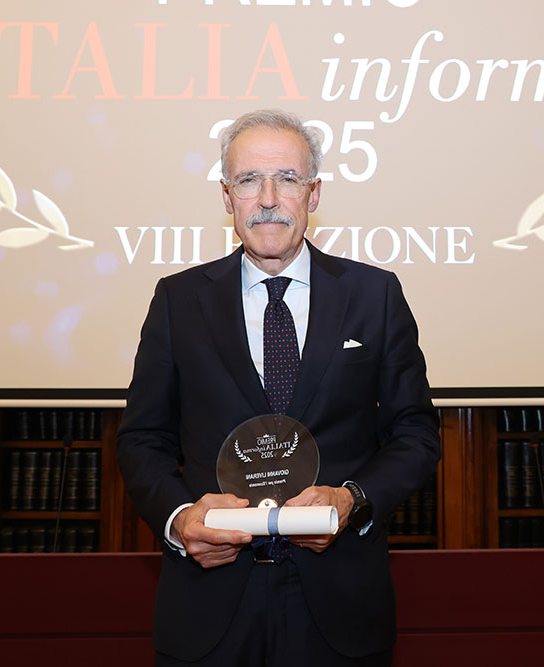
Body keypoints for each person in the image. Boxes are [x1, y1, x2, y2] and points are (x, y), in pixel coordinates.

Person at [116, 109, 440, 666]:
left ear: (314, 193)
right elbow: (142, 439)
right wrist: (180, 518)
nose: (268, 198)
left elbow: (415, 433)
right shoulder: (178, 300)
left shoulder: (375, 294)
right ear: (227, 197)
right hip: (210, 605)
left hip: (340, 605)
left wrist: (353, 499)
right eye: (249, 180)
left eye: (287, 178)